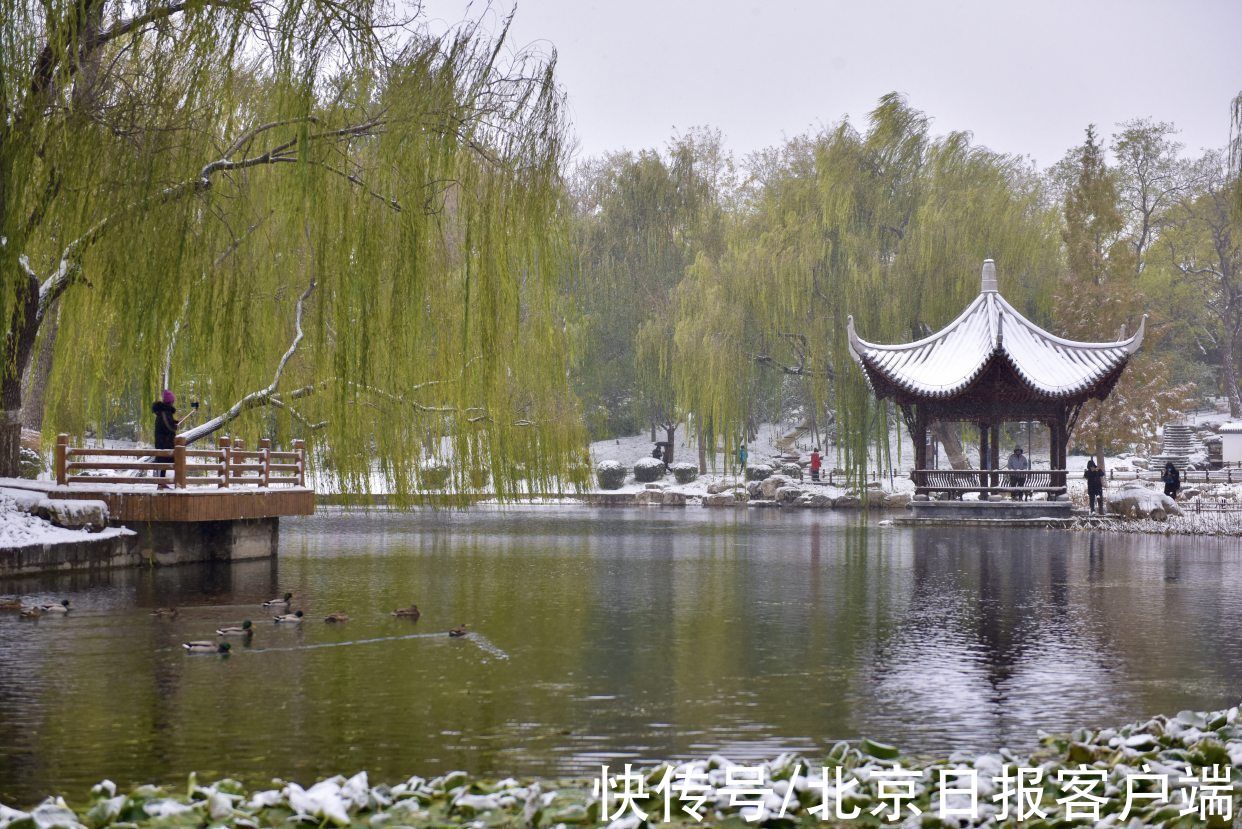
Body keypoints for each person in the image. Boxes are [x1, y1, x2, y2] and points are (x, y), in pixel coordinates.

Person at [151, 390, 194, 477]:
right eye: (172, 400)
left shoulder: (165, 412)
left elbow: (168, 422)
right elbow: (168, 426)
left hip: (165, 441)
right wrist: (174, 427)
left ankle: (163, 482)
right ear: (170, 401)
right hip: (163, 442)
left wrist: (176, 422)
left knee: (166, 462)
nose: (173, 402)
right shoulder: (164, 412)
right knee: (164, 461)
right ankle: (162, 482)